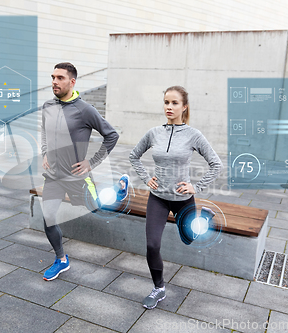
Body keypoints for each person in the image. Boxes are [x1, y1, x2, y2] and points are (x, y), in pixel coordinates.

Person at [129, 86, 223, 309]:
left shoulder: (193, 135)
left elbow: (216, 164)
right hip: (158, 198)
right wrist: (146, 178)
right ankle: (158, 288)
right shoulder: (154, 133)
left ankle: (205, 217)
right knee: (152, 245)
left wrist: (196, 187)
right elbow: (134, 156)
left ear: (184, 107)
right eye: (166, 102)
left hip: (182, 199)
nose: (169, 107)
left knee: (190, 239)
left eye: (174, 103)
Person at [41, 62, 124, 281]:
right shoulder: (47, 106)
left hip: (77, 176)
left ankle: (120, 191)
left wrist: (92, 162)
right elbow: (44, 131)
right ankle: (61, 259)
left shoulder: (84, 110)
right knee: (48, 217)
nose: (54, 82)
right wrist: (44, 153)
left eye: (60, 78)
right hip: (53, 177)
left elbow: (112, 135)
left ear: (72, 82)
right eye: (53, 77)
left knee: (100, 210)